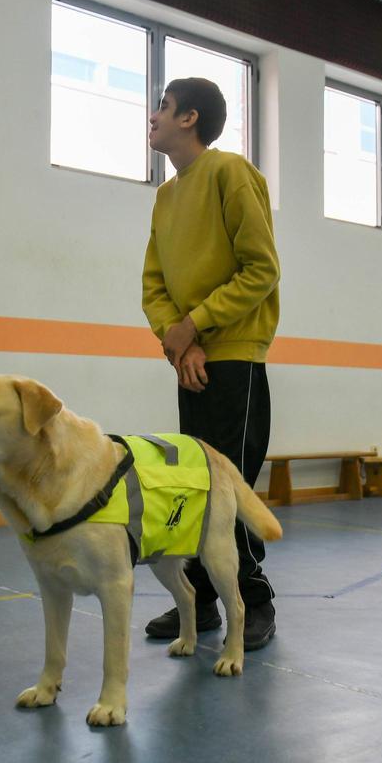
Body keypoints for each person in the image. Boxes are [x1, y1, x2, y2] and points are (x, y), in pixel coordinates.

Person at [141, 77, 281, 650]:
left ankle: (253, 599)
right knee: (195, 486)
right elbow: (153, 286)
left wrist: (195, 325)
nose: (153, 114)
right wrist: (180, 344)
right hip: (191, 361)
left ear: (189, 118)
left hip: (236, 360)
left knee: (232, 487)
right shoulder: (167, 196)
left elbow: (260, 268)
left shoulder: (230, 173)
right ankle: (198, 604)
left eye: (163, 106)